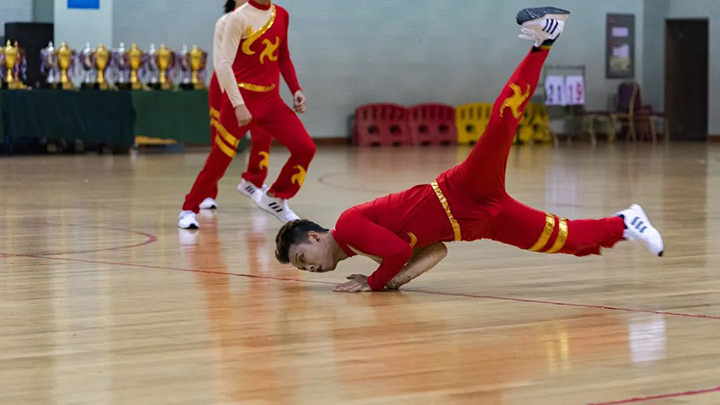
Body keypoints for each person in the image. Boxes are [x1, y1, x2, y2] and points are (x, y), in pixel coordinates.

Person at [273, 7, 665, 293]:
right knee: (561, 239)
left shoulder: (349, 227)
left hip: (462, 192)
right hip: (475, 224)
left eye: (302, 260)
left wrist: (376, 283)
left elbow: (397, 253)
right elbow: (435, 252)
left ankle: (544, 40)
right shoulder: (359, 247)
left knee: (502, 123)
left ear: (315, 238)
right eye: (301, 269)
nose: (308, 270)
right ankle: (626, 223)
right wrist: (389, 282)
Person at [180, 0, 314, 229]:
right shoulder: (237, 17)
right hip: (241, 99)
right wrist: (238, 103)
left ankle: (275, 197)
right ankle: (188, 209)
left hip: (271, 102)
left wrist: (296, 89)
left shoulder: (282, 15)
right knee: (219, 160)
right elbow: (223, 64)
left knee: (305, 148)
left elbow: (283, 57)